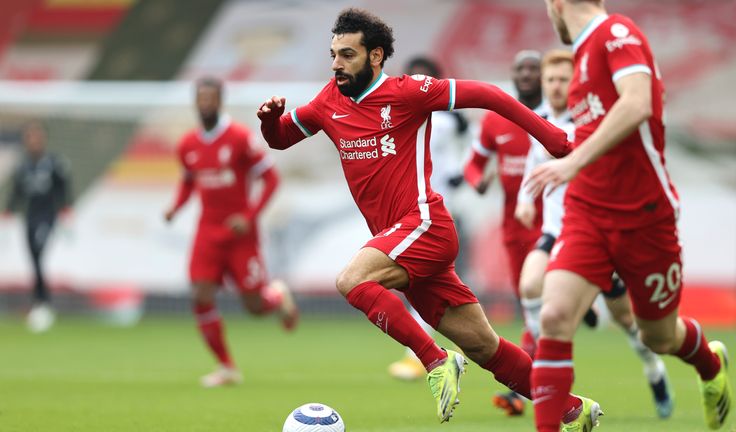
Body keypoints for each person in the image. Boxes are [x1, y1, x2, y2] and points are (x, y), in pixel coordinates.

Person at [258, 8, 597, 428]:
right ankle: (572, 410)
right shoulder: (330, 100)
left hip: (423, 225)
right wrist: (271, 121)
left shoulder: (409, 92)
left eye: (347, 54)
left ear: (376, 56)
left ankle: (435, 361)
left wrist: (553, 137)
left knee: (352, 281)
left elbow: (489, 96)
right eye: (333, 54)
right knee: (484, 347)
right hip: (404, 243)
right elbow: (281, 139)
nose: (336, 64)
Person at [527, 1, 733, 431]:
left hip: (645, 218)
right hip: (587, 214)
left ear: (557, 4)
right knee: (554, 315)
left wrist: (572, 161)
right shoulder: (582, 55)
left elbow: (638, 102)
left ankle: (711, 367)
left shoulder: (617, 33)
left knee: (656, 336)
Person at [513, 49, 673, 419]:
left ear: (576, 86)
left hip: (596, 235)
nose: (555, 86)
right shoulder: (538, 122)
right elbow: (531, 169)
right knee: (528, 284)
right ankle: (538, 370)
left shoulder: (593, 126)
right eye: (550, 80)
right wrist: (525, 201)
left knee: (629, 322)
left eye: (562, 80)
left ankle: (653, 369)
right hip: (557, 232)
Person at [164, 77, 298, 388]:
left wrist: (248, 216)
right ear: (195, 102)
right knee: (200, 295)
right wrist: (176, 207)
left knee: (253, 306)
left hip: (240, 235)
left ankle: (277, 297)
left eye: (211, 98)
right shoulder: (188, 145)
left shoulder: (239, 137)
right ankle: (226, 367)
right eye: (201, 98)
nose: (205, 103)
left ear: (220, 101)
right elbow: (188, 181)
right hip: (207, 233)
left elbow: (272, 179)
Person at [387, 56, 469, 382]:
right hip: (417, 211)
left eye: (426, 80)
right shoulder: (445, 122)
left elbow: (457, 162)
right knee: (436, 287)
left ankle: (418, 355)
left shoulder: (443, 122)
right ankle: (446, 354)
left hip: (434, 213)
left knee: (417, 283)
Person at [463, 49, 546, 360]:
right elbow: (472, 165)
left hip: (554, 220)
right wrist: (477, 181)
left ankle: (531, 365)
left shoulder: (558, 116)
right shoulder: (496, 119)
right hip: (515, 224)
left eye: (533, 68)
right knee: (526, 296)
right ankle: (538, 364)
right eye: (520, 68)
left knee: (540, 292)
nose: (526, 74)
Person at [3, 121, 72, 333]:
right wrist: (9, 209)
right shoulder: (23, 166)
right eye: (30, 136)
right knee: (34, 258)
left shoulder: (53, 162)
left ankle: (43, 304)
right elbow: (17, 191)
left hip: (47, 217)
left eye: (37, 136)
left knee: (39, 252)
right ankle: (39, 304)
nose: (33, 140)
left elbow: (63, 186)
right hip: (30, 217)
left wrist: (65, 207)